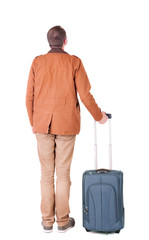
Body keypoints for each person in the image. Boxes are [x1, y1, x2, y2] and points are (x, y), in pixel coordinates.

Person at [25, 25, 108, 233]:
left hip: (42, 124)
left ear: (48, 42)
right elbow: (85, 95)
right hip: (66, 124)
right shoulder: (74, 62)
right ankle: (62, 221)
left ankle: (46, 221)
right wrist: (100, 117)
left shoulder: (37, 62)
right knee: (63, 174)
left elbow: (29, 98)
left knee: (46, 175)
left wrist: (33, 122)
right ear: (65, 41)